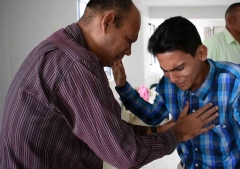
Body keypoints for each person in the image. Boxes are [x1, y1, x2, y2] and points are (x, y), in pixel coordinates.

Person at [0, 1, 218, 168]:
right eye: (129, 40)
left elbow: (108, 128)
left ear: (201, 54)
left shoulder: (59, 47)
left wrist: (158, 130)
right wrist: (177, 133)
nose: (128, 51)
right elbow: (125, 153)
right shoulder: (78, 64)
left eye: (179, 68)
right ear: (107, 22)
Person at [113, 16, 240, 169]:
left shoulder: (234, 83)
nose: (173, 79)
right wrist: (122, 86)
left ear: (201, 53)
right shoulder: (168, 83)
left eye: (179, 68)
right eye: (165, 70)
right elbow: (153, 115)